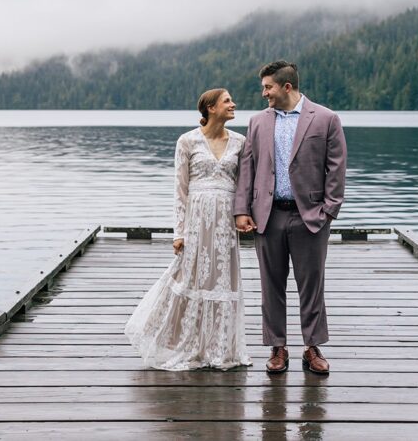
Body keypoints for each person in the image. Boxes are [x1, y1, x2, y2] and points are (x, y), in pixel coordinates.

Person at [124, 88, 252, 370]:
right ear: (210, 108)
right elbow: (180, 190)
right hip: (196, 220)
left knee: (222, 281)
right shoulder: (187, 141)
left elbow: (245, 186)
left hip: (224, 224)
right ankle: (174, 340)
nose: (234, 104)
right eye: (227, 101)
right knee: (188, 279)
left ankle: (219, 349)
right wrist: (178, 232)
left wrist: (244, 215)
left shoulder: (241, 142)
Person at [234, 60, 347, 375]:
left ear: (287, 86)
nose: (263, 93)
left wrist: (328, 210)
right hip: (267, 217)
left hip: (310, 216)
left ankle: (312, 348)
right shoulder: (257, 122)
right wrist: (242, 210)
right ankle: (277, 347)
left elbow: (336, 168)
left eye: (267, 87)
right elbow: (248, 167)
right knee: (271, 286)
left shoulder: (326, 119)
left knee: (312, 285)